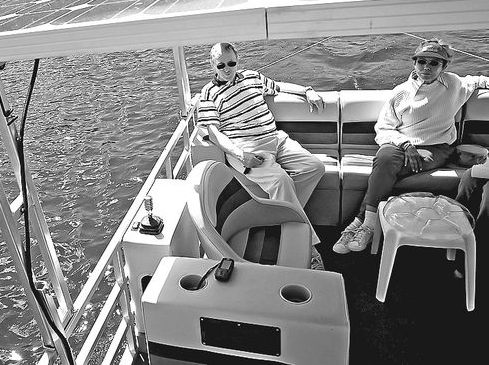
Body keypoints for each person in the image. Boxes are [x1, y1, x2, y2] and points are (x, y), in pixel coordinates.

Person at [335, 39, 489, 254]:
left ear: (444, 67)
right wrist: (406, 145)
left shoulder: (455, 84)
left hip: (436, 147)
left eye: (434, 63)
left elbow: (481, 81)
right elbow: (384, 128)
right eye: (422, 61)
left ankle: (363, 222)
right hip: (401, 144)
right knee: (385, 160)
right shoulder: (401, 92)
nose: (427, 67)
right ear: (414, 63)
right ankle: (367, 223)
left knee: (386, 169)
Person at [197, 42, 327, 270]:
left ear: (238, 60)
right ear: (212, 64)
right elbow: (214, 134)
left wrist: (307, 91)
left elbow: (279, 87)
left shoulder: (252, 77)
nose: (227, 69)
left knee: (315, 167)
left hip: (276, 138)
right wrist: (240, 154)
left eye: (231, 63)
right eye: (221, 65)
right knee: (281, 181)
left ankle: (280, 214)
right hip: (248, 148)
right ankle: (310, 248)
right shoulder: (209, 93)